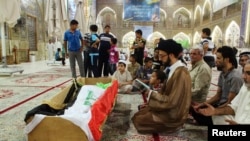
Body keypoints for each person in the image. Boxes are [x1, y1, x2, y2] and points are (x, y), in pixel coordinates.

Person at [132, 39, 192, 134]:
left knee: (139, 120)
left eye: (162, 56)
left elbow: (172, 102)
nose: (159, 59)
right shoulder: (173, 69)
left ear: (171, 55)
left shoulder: (181, 73)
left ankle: (174, 127)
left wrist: (152, 94)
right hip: (168, 108)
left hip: (174, 115)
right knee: (139, 114)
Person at [191, 46, 243, 125]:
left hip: (227, 109)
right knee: (196, 109)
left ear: (227, 59)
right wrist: (201, 104)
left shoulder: (235, 77)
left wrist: (215, 111)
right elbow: (218, 95)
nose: (216, 61)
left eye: (218, 58)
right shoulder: (223, 73)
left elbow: (230, 103)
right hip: (220, 104)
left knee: (206, 115)